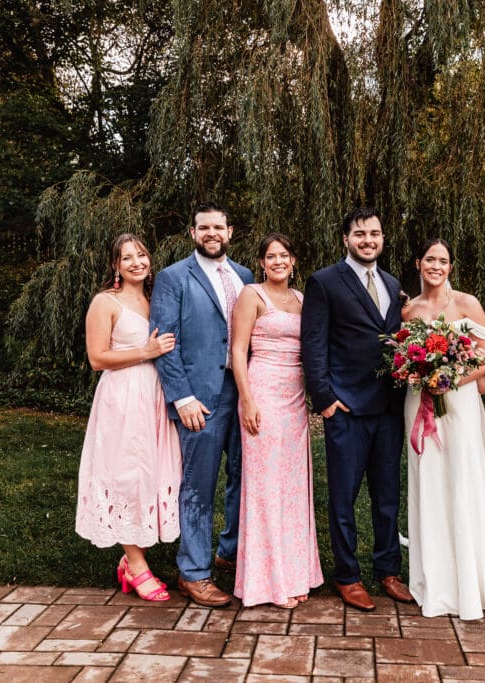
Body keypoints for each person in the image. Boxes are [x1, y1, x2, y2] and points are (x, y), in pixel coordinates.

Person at [300, 207, 412, 611]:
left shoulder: (391, 282)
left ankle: (388, 570)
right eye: (360, 234)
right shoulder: (324, 282)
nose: (368, 240)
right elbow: (313, 344)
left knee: (386, 496)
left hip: (388, 408)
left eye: (375, 234)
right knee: (344, 498)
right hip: (345, 408)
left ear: (383, 238)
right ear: (345, 238)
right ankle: (347, 575)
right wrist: (325, 400)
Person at [401, 238, 485, 620]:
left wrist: (451, 378)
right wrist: (421, 373)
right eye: (430, 259)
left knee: (463, 480)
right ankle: (437, 580)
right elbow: (403, 357)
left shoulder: (466, 303)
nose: (436, 266)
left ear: (451, 266)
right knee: (429, 480)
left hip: (459, 401)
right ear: (419, 263)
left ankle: (472, 580)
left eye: (443, 260)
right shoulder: (409, 309)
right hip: (420, 402)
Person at [150, 203, 255, 608]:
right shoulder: (174, 277)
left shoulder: (245, 276)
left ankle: (229, 551)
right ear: (192, 233)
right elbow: (164, 341)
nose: (212, 233)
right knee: (199, 484)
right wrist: (182, 397)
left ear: (230, 232)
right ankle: (192, 572)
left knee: (245, 474)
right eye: (204, 227)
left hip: (242, 389)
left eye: (219, 227)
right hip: (200, 397)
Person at [76, 233, 180, 602]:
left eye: (141, 255)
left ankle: (132, 559)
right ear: (115, 266)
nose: (136, 262)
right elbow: (97, 359)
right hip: (122, 396)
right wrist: (145, 350)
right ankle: (136, 565)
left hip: (155, 396)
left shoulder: (156, 298)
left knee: (151, 474)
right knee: (124, 475)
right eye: (127, 258)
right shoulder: (105, 303)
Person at [230, 233, 324, 609]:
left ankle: (297, 573)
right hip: (263, 392)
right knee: (266, 486)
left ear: (294, 260)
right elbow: (238, 350)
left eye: (285, 255)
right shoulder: (251, 295)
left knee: (293, 487)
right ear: (262, 263)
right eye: (272, 256)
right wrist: (247, 399)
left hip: (294, 398)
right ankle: (269, 581)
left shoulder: (303, 299)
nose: (279, 261)